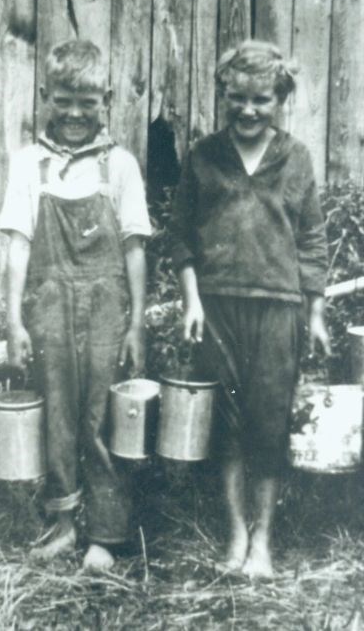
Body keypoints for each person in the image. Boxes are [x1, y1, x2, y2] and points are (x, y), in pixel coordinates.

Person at [170, 40, 330, 579]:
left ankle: (264, 541)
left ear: (279, 99)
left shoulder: (297, 158)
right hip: (218, 309)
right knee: (229, 425)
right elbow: (183, 239)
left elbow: (311, 240)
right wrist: (192, 302)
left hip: (277, 310)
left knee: (268, 425)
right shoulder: (203, 156)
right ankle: (236, 534)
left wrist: (315, 314)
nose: (247, 110)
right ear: (224, 96)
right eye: (237, 98)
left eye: (261, 99)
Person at [0, 39, 151, 572]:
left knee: (101, 413)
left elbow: (134, 247)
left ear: (106, 100)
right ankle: (64, 524)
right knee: (58, 411)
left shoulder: (121, 166)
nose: (74, 113)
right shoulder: (29, 164)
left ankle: (105, 537)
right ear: (46, 95)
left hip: (107, 304)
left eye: (87, 102)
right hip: (49, 303)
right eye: (64, 100)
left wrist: (137, 323)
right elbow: (18, 244)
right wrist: (14, 318)